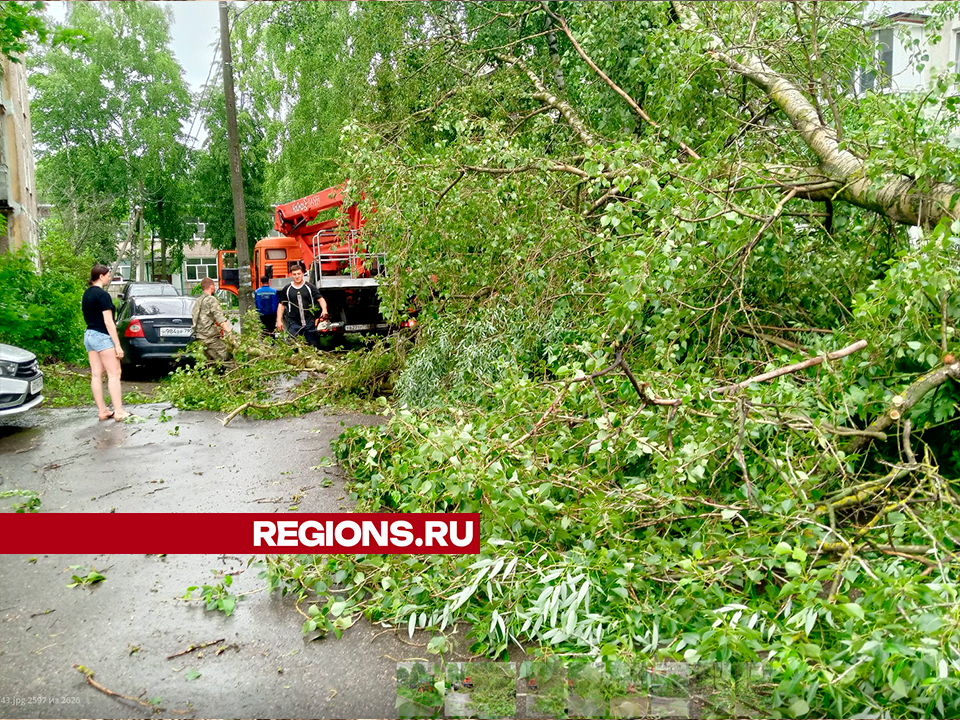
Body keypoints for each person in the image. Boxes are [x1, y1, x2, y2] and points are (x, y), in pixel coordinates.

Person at [82, 264, 129, 421]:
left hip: (89, 335)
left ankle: (102, 411)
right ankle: (119, 411)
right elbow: (109, 322)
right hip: (102, 336)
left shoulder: (86, 294)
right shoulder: (103, 295)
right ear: (101, 276)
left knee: (96, 374)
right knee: (114, 373)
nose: (110, 278)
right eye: (108, 275)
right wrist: (117, 345)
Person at [276, 263, 328, 347]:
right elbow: (281, 305)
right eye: (294, 274)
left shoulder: (310, 287)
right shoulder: (287, 289)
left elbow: (321, 299)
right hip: (294, 322)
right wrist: (279, 320)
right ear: (291, 275)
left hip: (309, 321)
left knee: (313, 346)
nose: (297, 276)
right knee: (292, 345)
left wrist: (324, 310)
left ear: (303, 274)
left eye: (299, 274)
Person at [192, 277, 233, 364]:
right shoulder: (211, 300)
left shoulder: (198, 301)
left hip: (200, 338)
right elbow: (220, 319)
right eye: (214, 286)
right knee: (229, 360)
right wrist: (230, 333)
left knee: (211, 365)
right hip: (210, 339)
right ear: (211, 286)